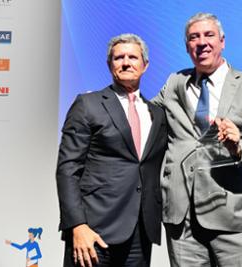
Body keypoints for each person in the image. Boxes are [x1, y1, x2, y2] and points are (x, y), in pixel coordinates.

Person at [152, 12, 242, 266]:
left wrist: (239, 148)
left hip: (234, 218)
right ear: (187, 46)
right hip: (183, 223)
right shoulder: (174, 82)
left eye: (208, 35)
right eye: (194, 37)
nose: (201, 42)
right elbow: (146, 114)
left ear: (222, 41)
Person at [56, 33, 167, 267]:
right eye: (119, 58)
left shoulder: (157, 114)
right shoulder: (88, 105)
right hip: (93, 231)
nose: (126, 62)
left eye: (133, 57)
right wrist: (77, 226)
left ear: (145, 65)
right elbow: (67, 169)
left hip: (140, 233)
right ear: (110, 65)